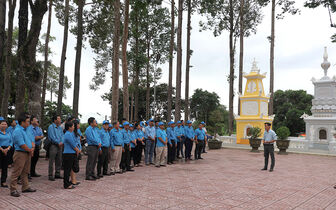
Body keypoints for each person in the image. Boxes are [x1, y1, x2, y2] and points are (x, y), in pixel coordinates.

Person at [10, 113, 36, 197]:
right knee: (16, 172)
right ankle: (13, 189)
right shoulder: (18, 130)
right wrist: (30, 150)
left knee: (25, 171)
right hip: (20, 153)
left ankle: (25, 187)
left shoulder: (25, 130)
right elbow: (21, 144)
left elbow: (30, 140)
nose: (29, 123)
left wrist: (32, 148)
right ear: (22, 122)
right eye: (28, 121)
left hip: (27, 153)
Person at [62, 121, 80, 189]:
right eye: (73, 126)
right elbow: (73, 144)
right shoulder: (68, 134)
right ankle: (66, 184)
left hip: (71, 153)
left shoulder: (70, 133)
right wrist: (77, 150)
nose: (74, 127)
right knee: (67, 169)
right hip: (68, 154)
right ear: (69, 127)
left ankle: (68, 182)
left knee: (70, 169)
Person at [47, 115, 64, 181]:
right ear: (55, 120)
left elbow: (62, 135)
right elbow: (52, 136)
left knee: (59, 160)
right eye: (59, 119)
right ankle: (50, 175)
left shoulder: (60, 128)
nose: (60, 120)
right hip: (53, 145)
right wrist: (58, 142)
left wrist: (62, 142)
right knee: (51, 160)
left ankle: (57, 173)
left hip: (60, 145)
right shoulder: (51, 127)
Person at [0, 117, 12, 187]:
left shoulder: (8, 133)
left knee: (5, 166)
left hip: (7, 150)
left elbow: (11, 141)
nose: (4, 125)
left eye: (5, 124)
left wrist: (7, 148)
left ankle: (3, 181)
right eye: (2, 124)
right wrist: (2, 149)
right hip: (0, 149)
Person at [70, 120, 81, 185]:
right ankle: (72, 180)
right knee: (72, 166)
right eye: (78, 124)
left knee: (75, 166)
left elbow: (79, 141)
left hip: (77, 150)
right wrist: (77, 150)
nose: (79, 125)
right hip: (73, 151)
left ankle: (74, 179)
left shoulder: (77, 132)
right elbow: (73, 143)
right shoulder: (71, 133)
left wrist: (80, 149)